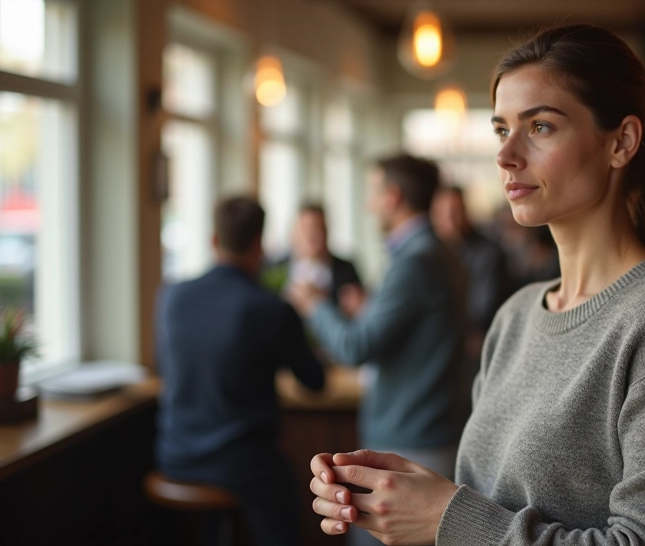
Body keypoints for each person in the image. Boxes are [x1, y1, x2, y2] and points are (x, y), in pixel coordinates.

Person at [306, 24, 645, 546]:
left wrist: (445, 517)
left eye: (541, 127)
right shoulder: (517, 316)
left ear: (622, 142)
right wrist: (404, 497)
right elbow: (491, 506)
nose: (506, 156)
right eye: (502, 129)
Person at [288, 154, 464, 545]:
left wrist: (314, 305)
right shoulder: (439, 251)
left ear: (393, 196)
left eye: (372, 193)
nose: (369, 204)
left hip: (410, 438)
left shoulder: (413, 261)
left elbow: (354, 348)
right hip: (429, 429)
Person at [154, 196, 325, 546]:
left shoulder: (171, 296)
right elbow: (314, 381)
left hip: (174, 455)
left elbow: (167, 365)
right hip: (244, 466)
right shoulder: (271, 309)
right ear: (259, 245)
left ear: (213, 239)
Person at [430, 185, 508, 347]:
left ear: (466, 212)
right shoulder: (430, 251)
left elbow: (482, 308)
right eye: (443, 214)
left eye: (456, 212)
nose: (451, 220)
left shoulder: (488, 253)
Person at [262, 202, 361, 309]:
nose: (316, 236)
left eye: (320, 229)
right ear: (294, 233)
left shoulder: (346, 270)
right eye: (309, 230)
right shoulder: (274, 269)